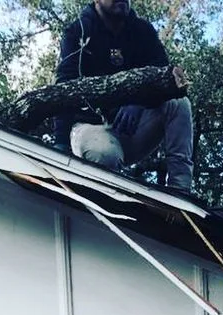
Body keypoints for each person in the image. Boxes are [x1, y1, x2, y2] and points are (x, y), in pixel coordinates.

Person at [54, 0, 194, 194]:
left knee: (178, 103)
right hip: (91, 128)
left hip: (131, 129)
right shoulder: (78, 31)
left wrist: (138, 101)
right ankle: (114, 204)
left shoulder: (142, 31)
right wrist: (60, 145)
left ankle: (181, 192)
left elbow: (164, 77)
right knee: (104, 155)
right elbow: (63, 87)